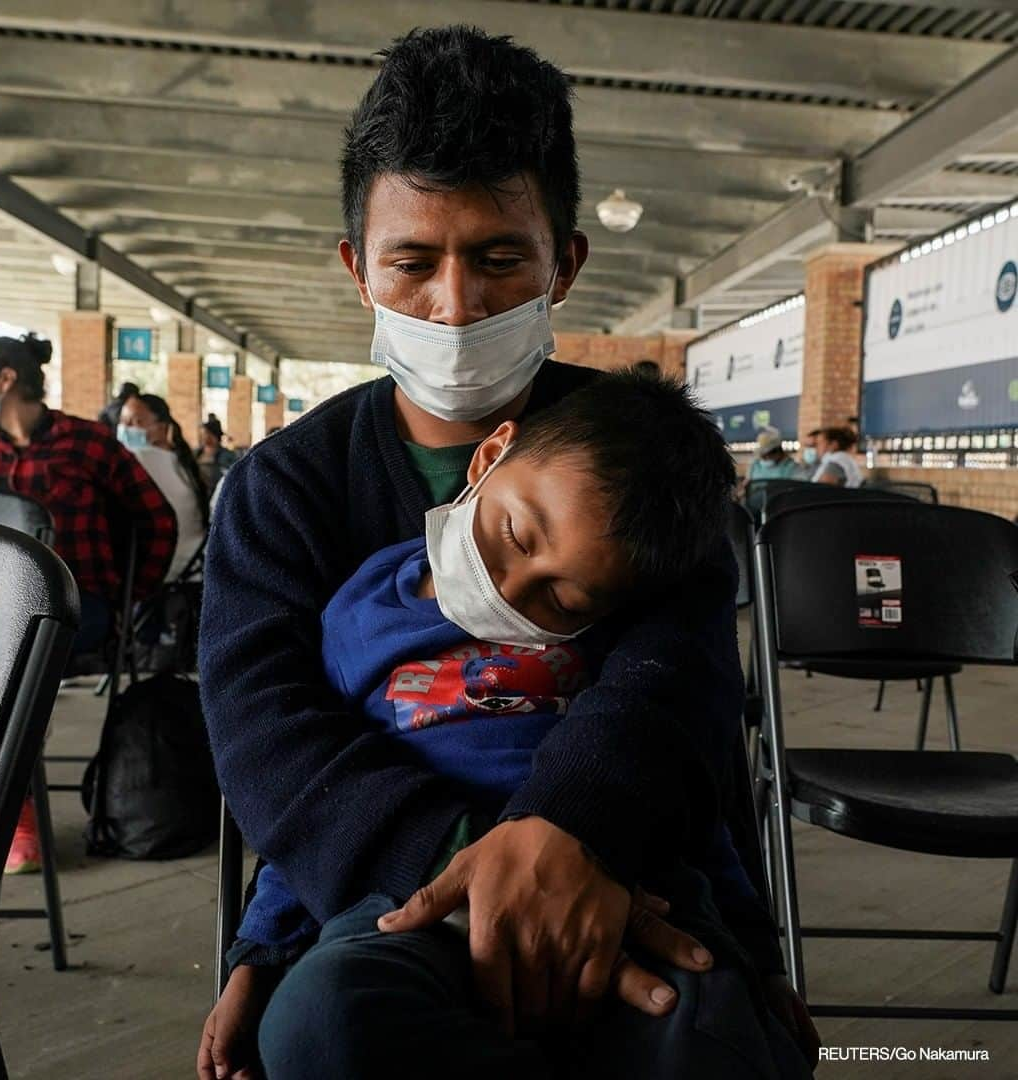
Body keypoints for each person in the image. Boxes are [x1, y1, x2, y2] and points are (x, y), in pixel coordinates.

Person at [198, 26, 816, 1080]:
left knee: (706, 1036)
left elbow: (679, 685)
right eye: (412, 261)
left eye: (498, 258)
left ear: (561, 263)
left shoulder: (645, 461)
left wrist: (574, 841)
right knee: (333, 1027)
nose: (456, 304)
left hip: (626, 874)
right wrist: (478, 875)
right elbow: (269, 735)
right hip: (396, 893)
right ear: (357, 268)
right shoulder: (283, 489)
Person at [200, 372, 810, 1079]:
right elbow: (306, 794)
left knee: (713, 1037)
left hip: (623, 896)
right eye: (516, 534)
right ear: (488, 459)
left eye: (562, 593)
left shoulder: (619, 627)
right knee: (320, 1022)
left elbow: (699, 796)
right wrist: (260, 952)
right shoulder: (359, 610)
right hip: (405, 906)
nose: (511, 588)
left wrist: (759, 956)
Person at [0, 333, 177, 872]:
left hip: (72, 608)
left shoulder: (88, 444)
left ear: (4, 380)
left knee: (10, 665)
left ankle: (5, 809)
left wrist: (130, 596)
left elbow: (156, 520)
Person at [117, 392, 209, 580]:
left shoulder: (140, 459)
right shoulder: (182, 461)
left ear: (161, 428)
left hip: (160, 576)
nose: (124, 429)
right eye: (122, 421)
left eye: (135, 422)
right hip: (192, 571)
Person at [196, 413, 238, 497]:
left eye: (208, 433)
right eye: (204, 433)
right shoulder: (196, 453)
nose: (205, 436)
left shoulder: (227, 456)